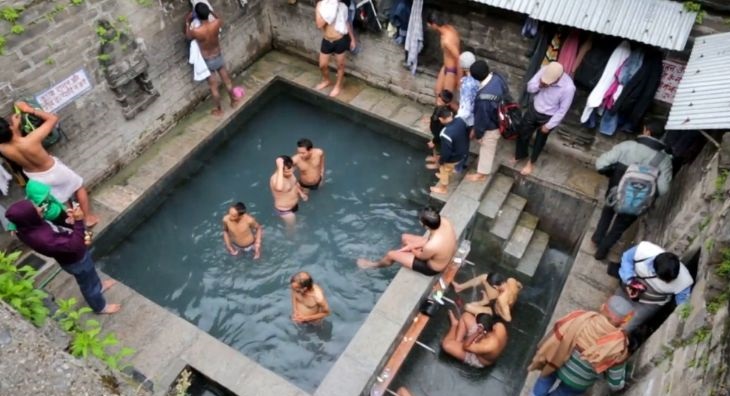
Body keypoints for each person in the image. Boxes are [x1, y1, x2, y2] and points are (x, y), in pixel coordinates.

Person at [5, 200, 120, 314]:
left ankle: (99, 286)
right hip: (76, 260)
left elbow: (16, 219)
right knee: (88, 285)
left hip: (71, 255)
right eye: (36, 210)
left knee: (90, 274)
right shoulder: (44, 239)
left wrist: (70, 220)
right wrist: (79, 221)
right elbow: (75, 246)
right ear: (29, 218)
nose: (40, 209)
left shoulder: (25, 227)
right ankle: (100, 307)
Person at [0, 101, 98, 227]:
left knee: (61, 198)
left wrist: (15, 127)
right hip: (54, 171)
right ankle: (87, 218)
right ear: (9, 127)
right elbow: (53, 118)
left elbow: (14, 142)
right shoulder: (32, 139)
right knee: (78, 187)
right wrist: (28, 109)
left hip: (36, 178)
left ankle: (75, 223)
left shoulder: (2, 148)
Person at [592, 121, 672, 260]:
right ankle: (601, 253)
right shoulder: (664, 160)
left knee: (607, 212)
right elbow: (664, 188)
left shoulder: (628, 146)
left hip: (615, 190)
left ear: (646, 131)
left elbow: (600, 164)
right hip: (639, 200)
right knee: (619, 227)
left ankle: (597, 238)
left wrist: (611, 173)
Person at [529, 295, 634, 396]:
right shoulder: (619, 347)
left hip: (557, 364)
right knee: (563, 393)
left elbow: (555, 337)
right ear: (624, 322)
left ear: (602, 307)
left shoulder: (580, 317)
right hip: (578, 383)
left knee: (546, 378)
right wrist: (620, 385)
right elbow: (615, 384)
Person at [514, 62, 576, 176]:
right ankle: (520, 154)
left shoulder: (569, 88)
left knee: (540, 141)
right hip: (535, 107)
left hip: (549, 116)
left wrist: (549, 125)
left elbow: (562, 110)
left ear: (558, 78)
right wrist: (540, 85)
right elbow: (529, 88)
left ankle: (531, 163)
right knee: (522, 132)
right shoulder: (545, 69)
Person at [356, 207, 456, 276]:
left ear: (426, 226)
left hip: (432, 267)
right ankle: (404, 258)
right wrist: (410, 246)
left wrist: (411, 247)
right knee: (405, 237)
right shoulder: (444, 222)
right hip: (439, 251)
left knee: (390, 254)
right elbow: (430, 240)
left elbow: (421, 256)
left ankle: (373, 265)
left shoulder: (431, 246)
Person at [617, 241, 693, 332]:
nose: (668, 282)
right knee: (615, 311)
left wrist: (682, 317)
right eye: (665, 280)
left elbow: (683, 304)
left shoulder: (684, 282)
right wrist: (629, 280)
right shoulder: (644, 250)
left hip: (651, 303)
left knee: (627, 326)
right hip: (631, 286)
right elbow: (626, 259)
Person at [185, 3, 241, 117]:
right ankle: (234, 101)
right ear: (208, 13)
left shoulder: (197, 31)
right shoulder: (216, 23)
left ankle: (220, 110)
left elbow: (188, 37)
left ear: (197, 16)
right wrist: (211, 11)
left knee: (213, 88)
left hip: (208, 61)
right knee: (227, 81)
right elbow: (219, 18)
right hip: (218, 56)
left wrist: (187, 21)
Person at [465, 60, 509, 182]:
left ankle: (481, 174)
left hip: (493, 125)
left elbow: (482, 119)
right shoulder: (497, 77)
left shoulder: (484, 98)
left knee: (487, 147)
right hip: (502, 113)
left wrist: (479, 135)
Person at [315, 0, 357, 97]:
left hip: (340, 40)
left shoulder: (342, 6)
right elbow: (319, 24)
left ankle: (338, 86)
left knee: (340, 65)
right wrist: (332, 8)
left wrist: (352, 39)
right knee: (322, 65)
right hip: (327, 40)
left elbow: (347, 23)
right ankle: (326, 80)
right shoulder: (320, 5)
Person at [441, 310, 507, 368]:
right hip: (483, 335)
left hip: (478, 357)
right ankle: (457, 341)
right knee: (465, 316)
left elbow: (466, 347)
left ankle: (454, 325)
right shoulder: (499, 326)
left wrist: (477, 333)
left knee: (446, 345)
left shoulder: (487, 346)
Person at [452, 272, 522, 322]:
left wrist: (499, 312)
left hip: (494, 311)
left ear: (495, 287)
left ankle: (484, 302)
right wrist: (513, 295)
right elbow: (519, 286)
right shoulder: (511, 280)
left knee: (467, 307)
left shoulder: (502, 299)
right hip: (500, 301)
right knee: (485, 277)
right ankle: (459, 287)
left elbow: (508, 319)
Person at [430, 107, 469, 195]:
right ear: (451, 114)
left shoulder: (445, 133)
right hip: (463, 152)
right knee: (450, 168)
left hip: (453, 158)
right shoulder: (460, 120)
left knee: (443, 169)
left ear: (440, 119)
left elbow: (446, 152)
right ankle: (447, 174)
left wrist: (441, 161)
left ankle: (443, 188)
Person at [426, 11, 461, 104]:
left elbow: (459, 58)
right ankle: (439, 116)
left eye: (429, 24)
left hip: (451, 71)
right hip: (446, 67)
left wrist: (459, 78)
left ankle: (450, 116)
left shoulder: (447, 40)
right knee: (438, 92)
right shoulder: (450, 29)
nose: (428, 26)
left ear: (434, 25)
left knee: (445, 100)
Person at [270, 155, 308, 226]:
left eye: (291, 169)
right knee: (292, 229)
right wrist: (280, 167)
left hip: (294, 205)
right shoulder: (275, 179)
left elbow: (294, 184)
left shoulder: (290, 172)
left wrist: (301, 193)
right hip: (285, 210)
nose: (290, 173)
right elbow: (279, 188)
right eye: (287, 171)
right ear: (280, 170)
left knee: (296, 221)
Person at [426, 91, 455, 169]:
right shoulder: (439, 107)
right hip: (436, 133)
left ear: (447, 103)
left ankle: (437, 164)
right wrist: (430, 120)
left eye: (441, 101)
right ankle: (435, 158)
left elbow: (450, 119)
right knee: (435, 149)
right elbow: (435, 117)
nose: (438, 101)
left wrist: (434, 140)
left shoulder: (444, 110)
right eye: (438, 99)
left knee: (438, 151)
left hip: (439, 136)